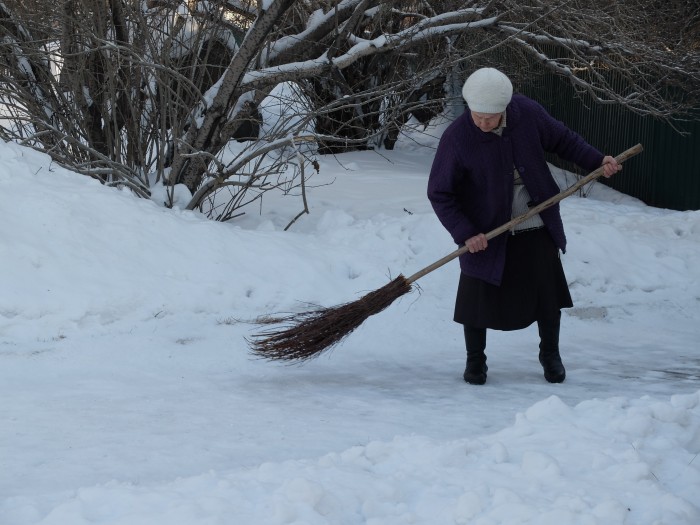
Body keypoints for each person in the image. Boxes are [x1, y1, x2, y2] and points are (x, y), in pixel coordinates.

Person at [427, 67, 621, 385]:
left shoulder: (527, 113)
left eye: (490, 118)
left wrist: (597, 161)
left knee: (547, 295)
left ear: (504, 108)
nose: (483, 123)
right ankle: (475, 361)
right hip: (484, 231)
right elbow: (440, 193)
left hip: (535, 220)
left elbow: (563, 140)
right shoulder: (458, 137)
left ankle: (550, 356)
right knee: (477, 298)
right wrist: (465, 233)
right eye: (477, 116)